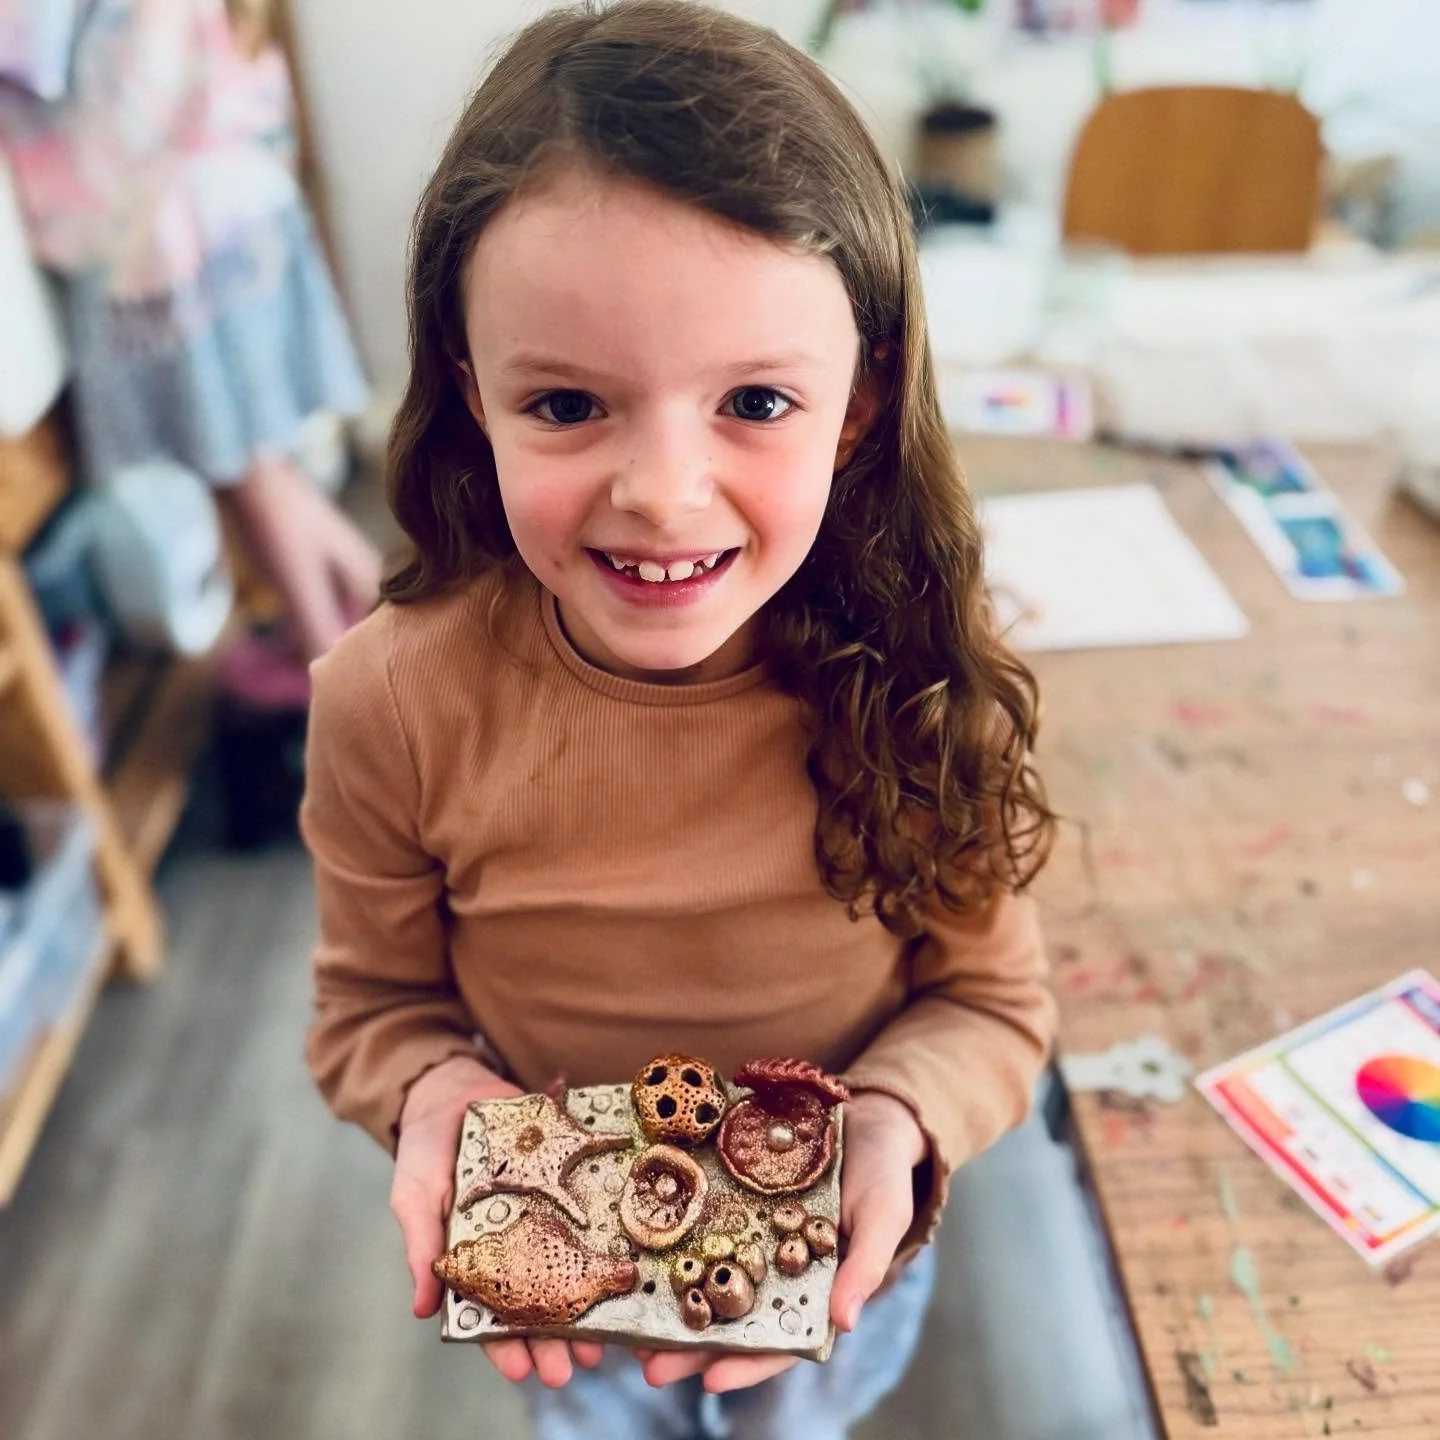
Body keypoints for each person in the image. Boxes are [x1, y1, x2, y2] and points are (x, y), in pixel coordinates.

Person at [300, 3, 1057, 1436]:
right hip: (565, 1292)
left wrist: (900, 1120)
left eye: (755, 400)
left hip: (841, 1264)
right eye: (570, 403)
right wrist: (431, 1087)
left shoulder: (931, 669)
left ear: (857, 405)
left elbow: (990, 1000)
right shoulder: (388, 704)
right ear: (476, 395)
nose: (661, 492)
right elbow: (372, 1008)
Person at [0, 0, 380, 662]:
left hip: (173, 250)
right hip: (232, 219)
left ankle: (344, 664)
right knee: (258, 472)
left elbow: (37, 58)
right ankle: (338, 646)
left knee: (257, 479)